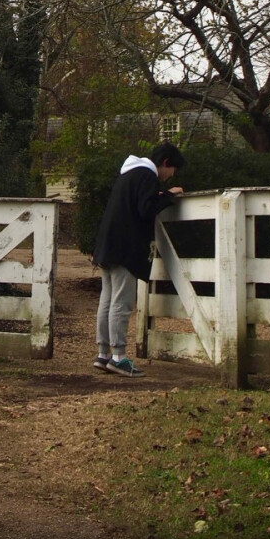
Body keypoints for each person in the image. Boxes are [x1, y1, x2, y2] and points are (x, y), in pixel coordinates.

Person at [92, 140, 185, 376]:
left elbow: (137, 204)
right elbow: (146, 209)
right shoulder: (147, 176)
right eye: (172, 171)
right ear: (165, 163)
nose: (170, 176)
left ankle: (103, 354)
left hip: (107, 244)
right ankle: (119, 357)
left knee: (107, 299)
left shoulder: (129, 174)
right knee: (121, 303)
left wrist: (160, 193)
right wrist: (168, 196)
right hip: (126, 246)